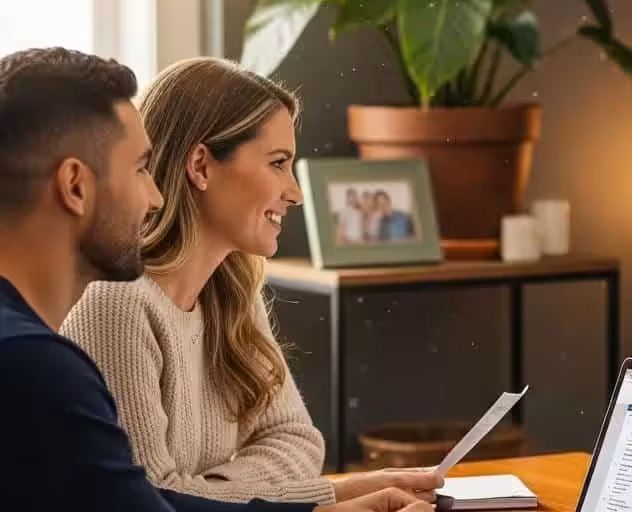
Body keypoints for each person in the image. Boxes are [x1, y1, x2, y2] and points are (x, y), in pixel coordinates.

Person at [0, 46, 431, 512]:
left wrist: (328, 495)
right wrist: (323, 502)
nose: (155, 196)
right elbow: (152, 498)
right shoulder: (69, 339)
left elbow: (296, 442)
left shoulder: (231, 288)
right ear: (201, 166)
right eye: (278, 162)